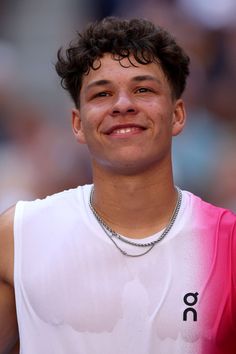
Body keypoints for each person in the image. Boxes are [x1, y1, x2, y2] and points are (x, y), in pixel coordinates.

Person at [0, 17, 235, 354]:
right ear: (78, 124)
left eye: (143, 89)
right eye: (102, 93)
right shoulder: (18, 235)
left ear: (178, 115)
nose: (123, 104)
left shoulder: (229, 245)